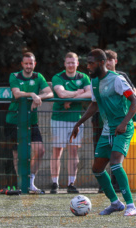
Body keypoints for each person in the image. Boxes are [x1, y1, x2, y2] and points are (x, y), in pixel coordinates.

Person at [70, 49, 136, 216]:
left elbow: (135, 102)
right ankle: (115, 203)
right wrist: (79, 123)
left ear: (101, 63)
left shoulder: (117, 80)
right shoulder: (94, 81)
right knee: (97, 168)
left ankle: (131, 206)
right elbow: (94, 105)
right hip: (107, 129)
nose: (88, 66)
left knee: (116, 163)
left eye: (91, 63)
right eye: (87, 63)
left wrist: (124, 123)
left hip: (123, 128)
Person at [94, 50, 136, 193]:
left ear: (115, 61)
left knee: (116, 159)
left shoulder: (120, 77)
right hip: (102, 121)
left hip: (120, 121)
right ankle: (104, 186)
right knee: (100, 156)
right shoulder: (96, 79)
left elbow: (135, 95)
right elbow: (93, 100)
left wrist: (125, 118)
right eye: (106, 60)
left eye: (111, 60)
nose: (108, 62)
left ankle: (120, 189)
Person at [5, 52, 53, 193]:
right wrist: (31, 95)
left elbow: (49, 93)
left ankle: (30, 182)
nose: (28, 66)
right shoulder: (14, 76)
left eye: (30, 63)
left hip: (31, 121)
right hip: (14, 120)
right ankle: (21, 183)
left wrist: (38, 96)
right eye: (26, 63)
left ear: (34, 64)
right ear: (22, 64)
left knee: (40, 150)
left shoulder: (38, 77)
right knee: (17, 154)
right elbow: (17, 94)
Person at [49, 52, 91, 194]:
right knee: (57, 151)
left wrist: (71, 98)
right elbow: (61, 94)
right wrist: (79, 93)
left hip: (77, 121)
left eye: (73, 62)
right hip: (59, 119)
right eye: (68, 63)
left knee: (73, 151)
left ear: (77, 63)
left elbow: (90, 94)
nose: (71, 65)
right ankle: (54, 183)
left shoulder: (83, 77)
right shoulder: (58, 77)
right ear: (65, 64)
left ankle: (71, 183)